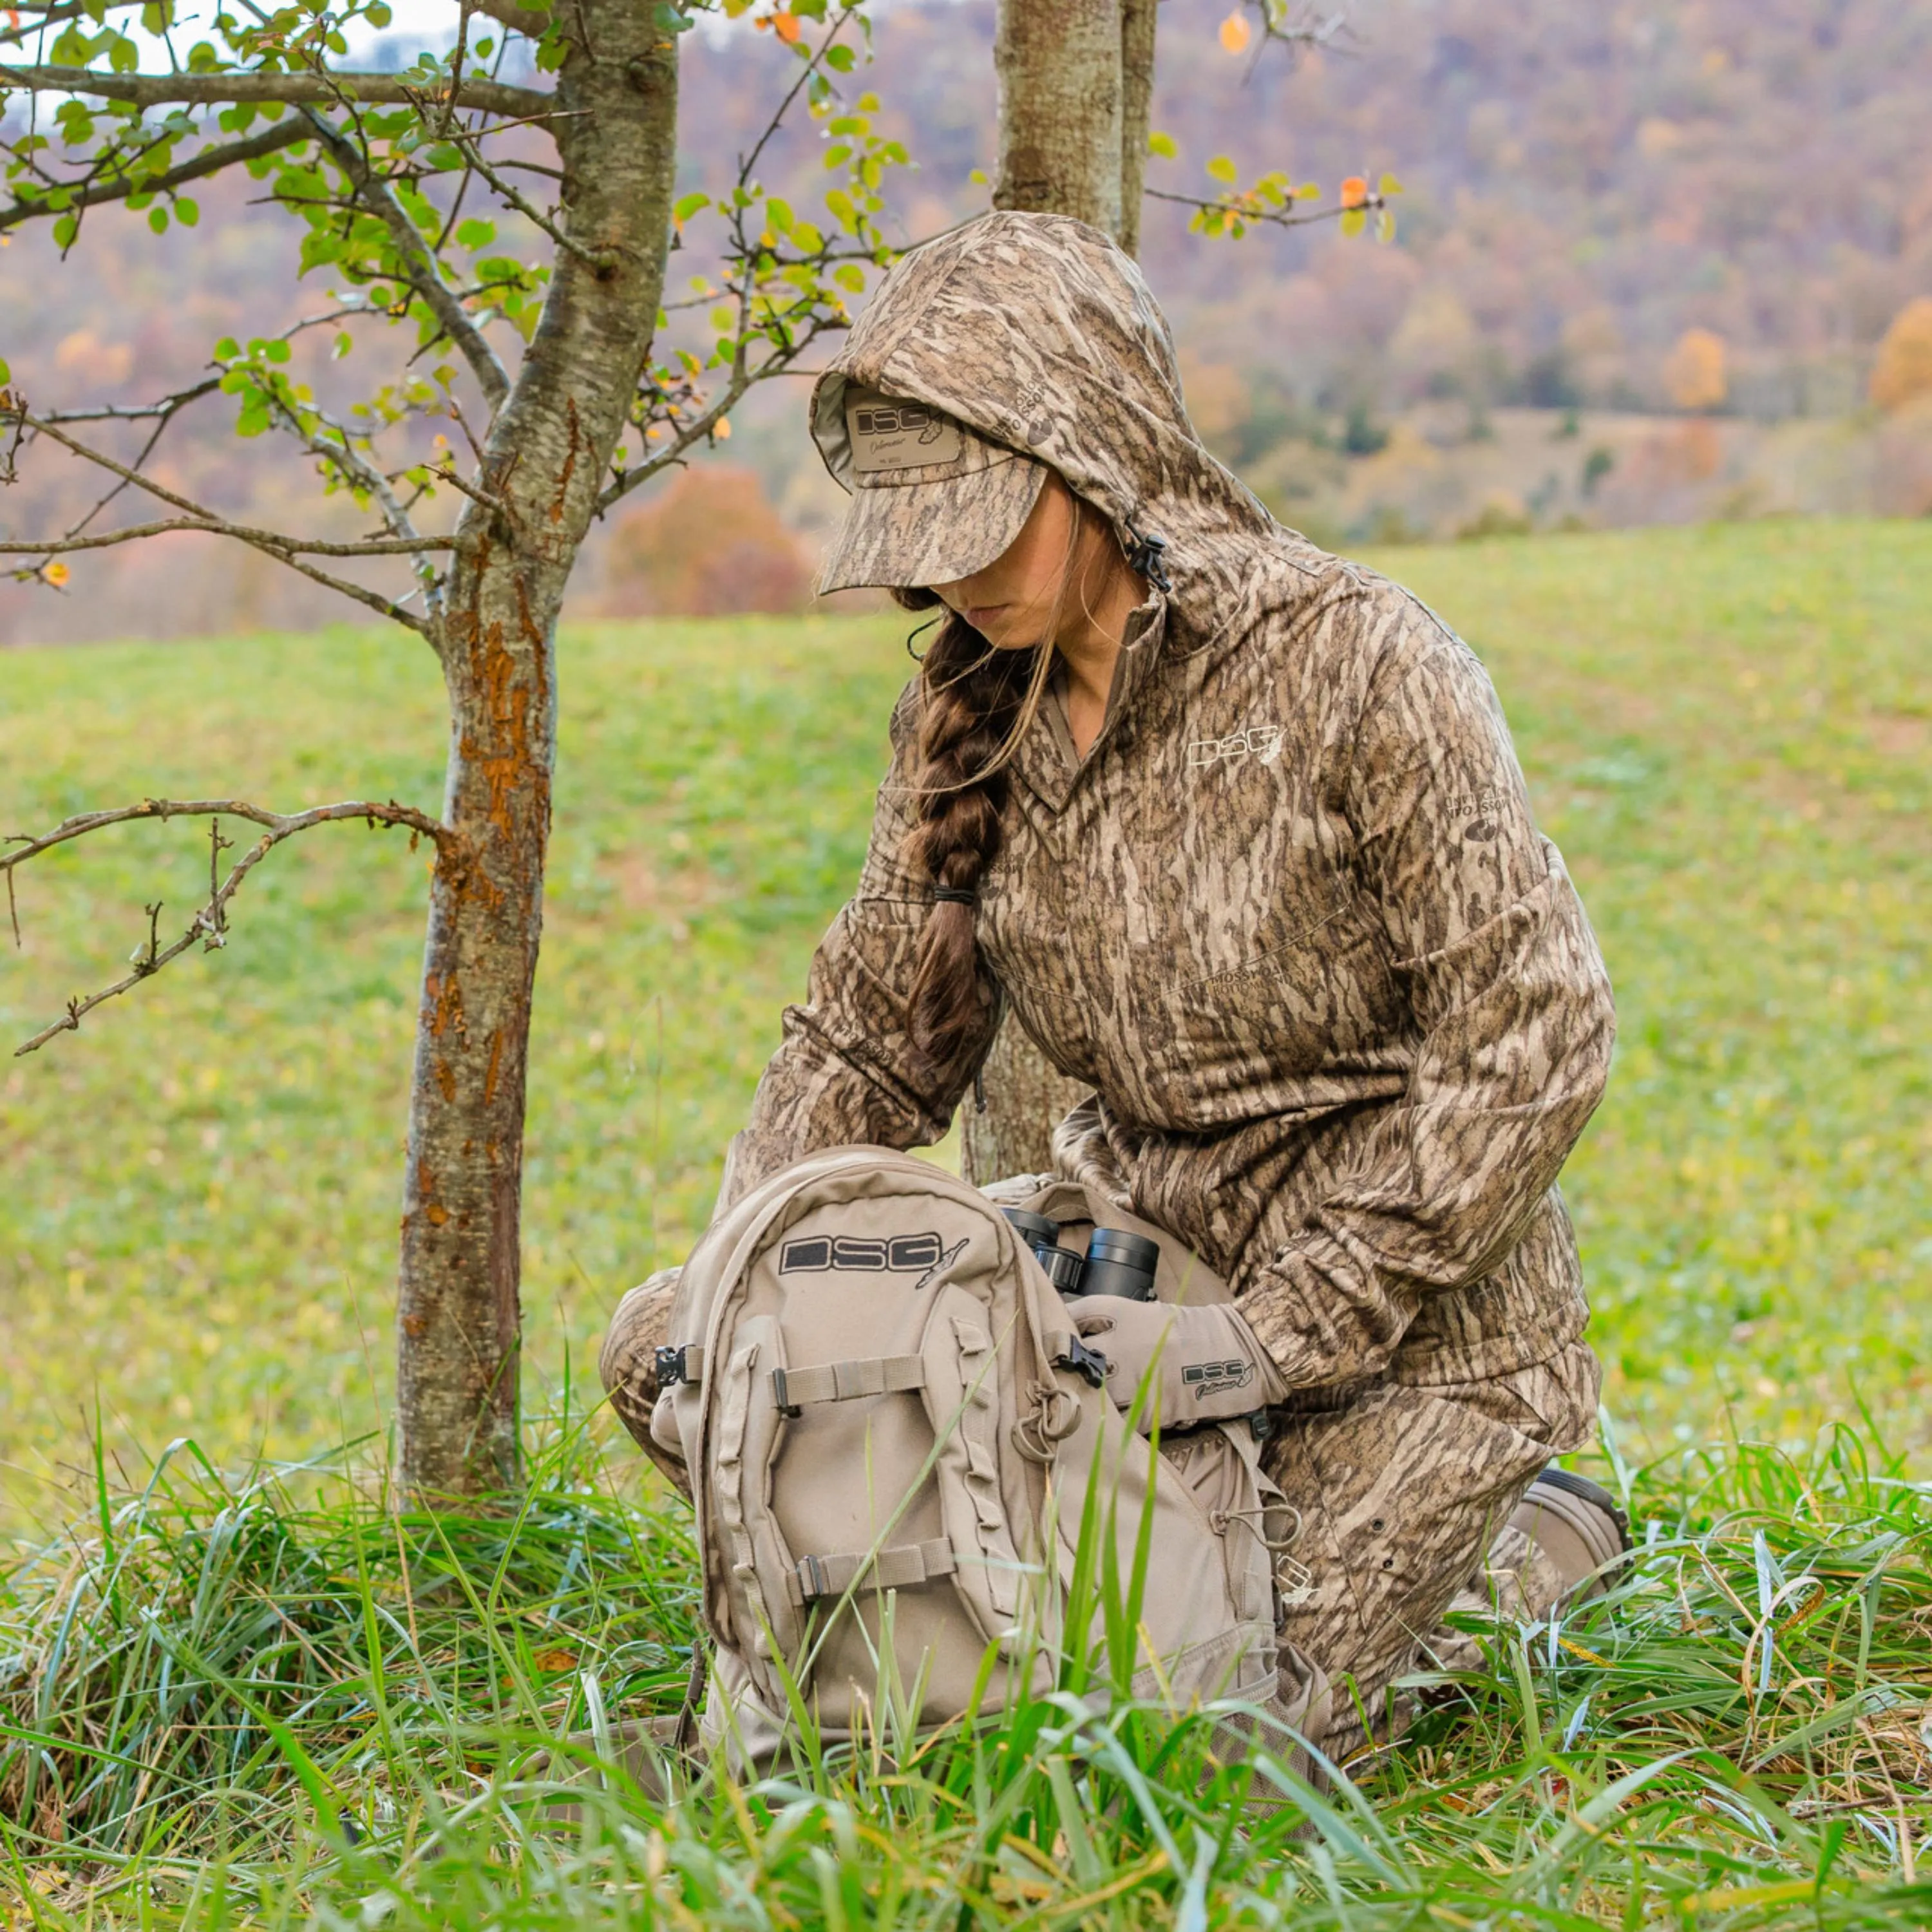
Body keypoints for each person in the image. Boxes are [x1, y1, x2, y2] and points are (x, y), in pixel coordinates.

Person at [602, 211, 1624, 1765]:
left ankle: (1521, 1546)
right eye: (915, 525)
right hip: (1106, 1295)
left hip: (1407, 1337)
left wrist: (1273, 1339)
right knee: (666, 1348)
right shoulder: (963, 707)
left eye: (983, 517)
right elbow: (869, 1044)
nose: (945, 567)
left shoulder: (1360, 661)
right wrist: (746, 1273)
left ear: (1099, 454)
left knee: (1189, 1753)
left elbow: (1535, 1038)